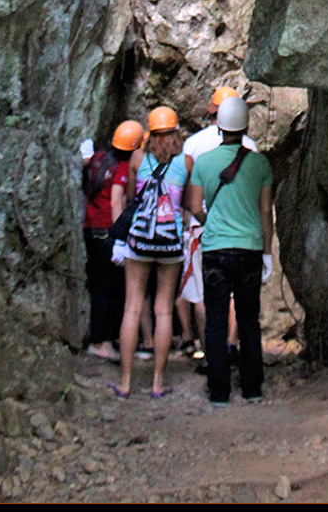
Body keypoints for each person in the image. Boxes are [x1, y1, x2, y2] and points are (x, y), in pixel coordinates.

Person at [187, 95, 274, 406]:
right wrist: (267, 252)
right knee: (249, 319)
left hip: (215, 250)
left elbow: (195, 207)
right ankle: (252, 388)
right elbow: (265, 212)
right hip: (249, 248)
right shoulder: (261, 163)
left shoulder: (203, 163)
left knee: (215, 320)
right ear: (246, 126)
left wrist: (211, 222)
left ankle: (219, 391)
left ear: (219, 127)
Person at [110, 107, 192, 399]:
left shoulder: (137, 158)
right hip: (170, 243)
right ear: (176, 131)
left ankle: (126, 382)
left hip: (140, 241)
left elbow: (132, 197)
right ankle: (158, 382)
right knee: (164, 309)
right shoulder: (186, 162)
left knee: (132, 306)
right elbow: (189, 203)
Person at [179, 87, 260, 360]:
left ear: (213, 111)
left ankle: (208, 350)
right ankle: (231, 344)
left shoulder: (193, 144)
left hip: (203, 227)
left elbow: (189, 188)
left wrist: (201, 219)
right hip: (241, 229)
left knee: (204, 293)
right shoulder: (251, 147)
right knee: (237, 294)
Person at [82, 120, 143, 361]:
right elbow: (117, 200)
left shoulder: (99, 158)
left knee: (99, 285)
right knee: (109, 288)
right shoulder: (120, 168)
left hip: (90, 228)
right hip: (107, 230)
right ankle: (101, 341)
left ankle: (107, 337)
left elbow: (85, 161)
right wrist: (120, 236)